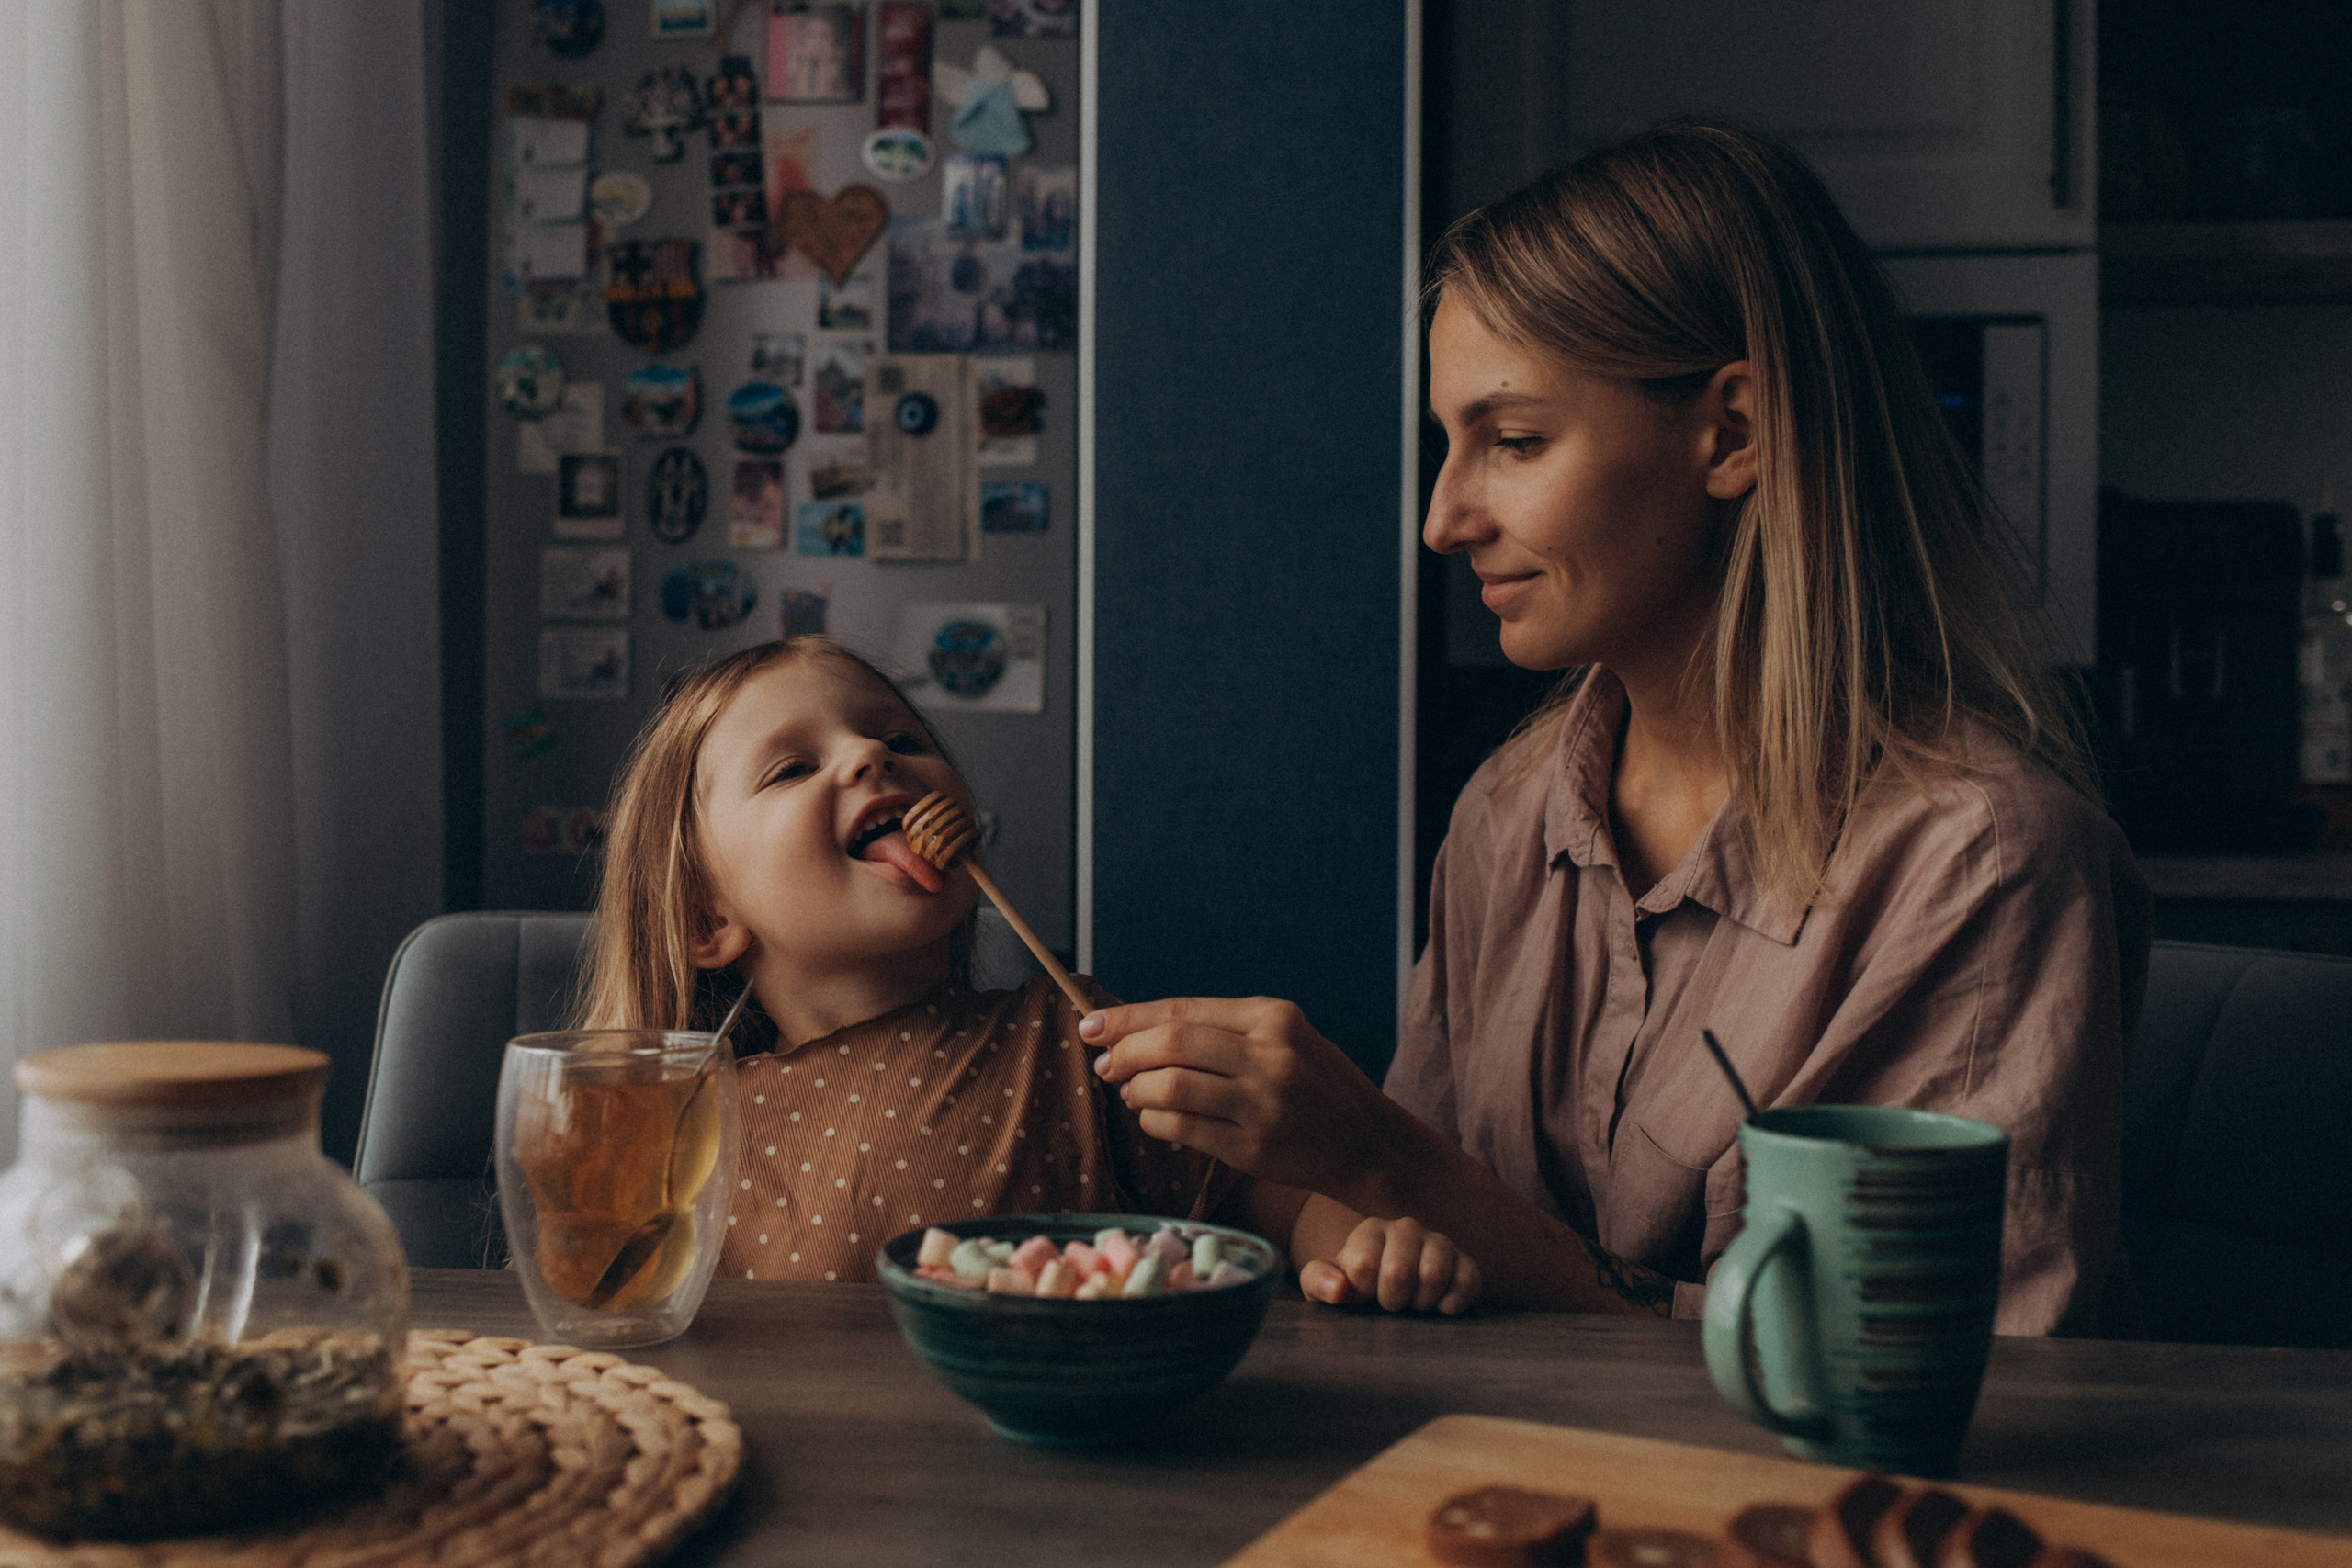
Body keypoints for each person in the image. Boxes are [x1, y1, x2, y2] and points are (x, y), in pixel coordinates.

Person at [1084, 123, 2151, 1336]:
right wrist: (1352, 1218)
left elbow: (1920, 1389)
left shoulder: (1980, 863)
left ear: (1734, 433)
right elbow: (1415, 1245)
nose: (1443, 518)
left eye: (1516, 440)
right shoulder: (1507, 812)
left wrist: (1398, 1164)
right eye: (1450, 443)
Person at [573, 636, 1481, 1311]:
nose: (870, 755)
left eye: (897, 734)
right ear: (706, 919)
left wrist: (1359, 1247)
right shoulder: (695, 1132)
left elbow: (1260, 1196)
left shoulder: (1076, 1034)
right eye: (793, 767)